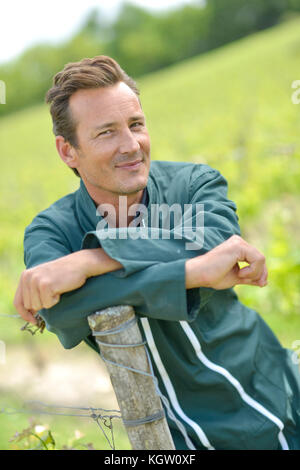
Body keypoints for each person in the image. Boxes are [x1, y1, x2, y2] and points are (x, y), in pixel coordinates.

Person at [13, 55, 300, 450]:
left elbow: (216, 245)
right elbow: (60, 311)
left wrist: (92, 260)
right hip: (165, 436)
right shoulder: (53, 231)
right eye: (106, 133)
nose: (131, 146)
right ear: (68, 151)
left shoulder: (195, 184)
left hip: (270, 397)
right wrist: (191, 273)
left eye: (136, 125)